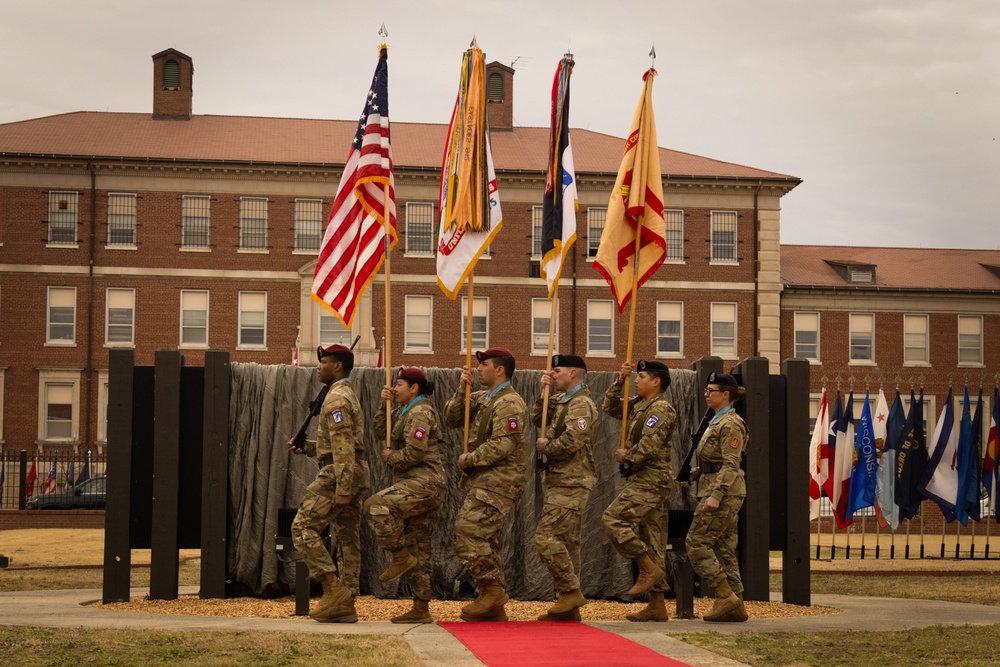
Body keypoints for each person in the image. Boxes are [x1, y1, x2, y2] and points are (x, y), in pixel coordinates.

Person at [444, 347, 529, 622]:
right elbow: (452, 419)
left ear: (500, 370)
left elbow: (503, 444)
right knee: (484, 539)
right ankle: (493, 604)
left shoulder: (510, 403)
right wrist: (461, 390)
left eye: (484, 365)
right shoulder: (484, 398)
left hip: (500, 481)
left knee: (468, 531)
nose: (478, 369)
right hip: (484, 480)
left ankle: (492, 590)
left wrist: (470, 459)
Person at [288, 344, 369, 623]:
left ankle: (334, 590)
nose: (318, 366)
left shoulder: (336, 399)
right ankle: (346, 603)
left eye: (323, 362)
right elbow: (341, 445)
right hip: (350, 470)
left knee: (301, 527)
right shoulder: (342, 394)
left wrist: (343, 489)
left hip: (339, 474)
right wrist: (309, 448)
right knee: (347, 538)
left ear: (337, 367)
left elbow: (344, 448)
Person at [364, 367, 445, 624]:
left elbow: (414, 454)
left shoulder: (421, 412)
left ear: (414, 388)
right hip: (413, 484)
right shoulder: (403, 411)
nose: (395, 388)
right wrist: (384, 405)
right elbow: (380, 432)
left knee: (375, 505)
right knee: (418, 546)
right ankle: (421, 608)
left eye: (399, 384)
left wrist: (391, 458)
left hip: (424, 484)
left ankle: (400, 557)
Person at [600, 359, 676, 622]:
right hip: (641, 478)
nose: (637, 379)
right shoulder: (639, 406)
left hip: (651, 479)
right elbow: (609, 407)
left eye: (641, 376)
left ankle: (646, 568)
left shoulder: (661, 409)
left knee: (612, 519)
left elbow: (649, 446)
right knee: (653, 538)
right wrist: (619, 380)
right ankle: (657, 605)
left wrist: (626, 455)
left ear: (656, 381)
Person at [530, 354, 598, 621]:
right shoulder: (560, 400)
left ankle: (570, 592)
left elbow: (573, 440)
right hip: (560, 480)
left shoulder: (581, 404)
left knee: (546, 538)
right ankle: (569, 608)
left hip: (573, 481)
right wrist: (543, 391)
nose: (553, 374)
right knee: (568, 544)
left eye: (556, 371)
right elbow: (538, 417)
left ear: (573, 373)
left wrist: (547, 447)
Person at [685, 371, 750, 623]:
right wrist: (693, 475)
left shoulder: (731, 424)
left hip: (724, 492)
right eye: (706, 390)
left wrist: (716, 495)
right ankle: (737, 605)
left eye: (710, 391)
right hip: (718, 488)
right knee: (723, 548)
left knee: (696, 542)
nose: (706, 394)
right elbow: (714, 462)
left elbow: (731, 464)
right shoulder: (716, 421)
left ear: (725, 395)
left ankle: (725, 597)